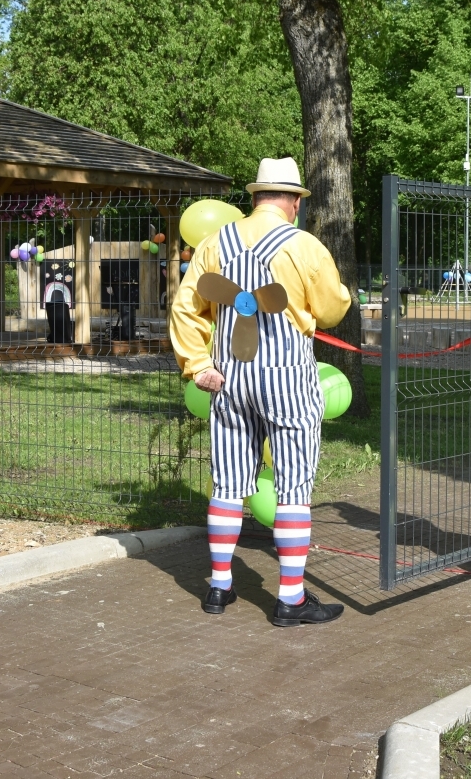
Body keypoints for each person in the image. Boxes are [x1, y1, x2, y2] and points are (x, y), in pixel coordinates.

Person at [170, 157, 352, 626]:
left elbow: (186, 310)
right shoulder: (303, 245)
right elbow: (331, 310)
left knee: (228, 483)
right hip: (287, 376)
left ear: (254, 197)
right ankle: (290, 599)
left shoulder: (215, 242)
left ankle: (218, 587)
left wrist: (197, 365)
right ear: (292, 201)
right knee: (293, 486)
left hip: (229, 375)